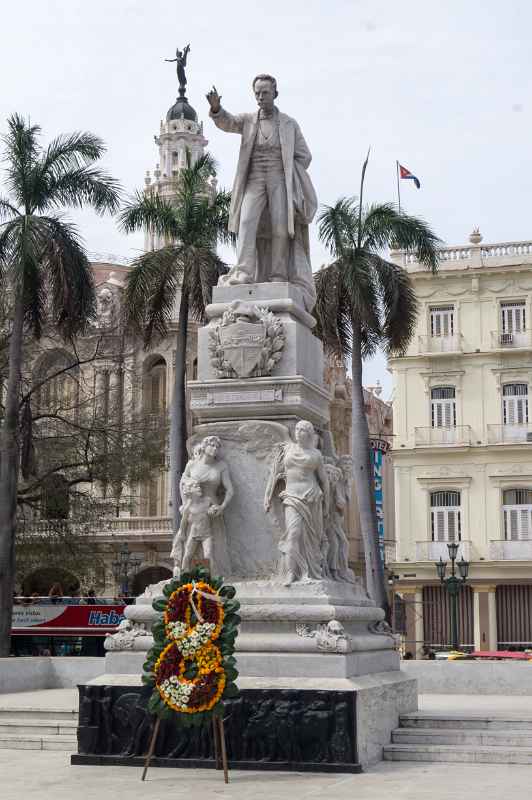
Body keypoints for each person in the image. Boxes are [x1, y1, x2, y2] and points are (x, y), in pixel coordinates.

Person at [206, 75, 317, 311]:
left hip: (279, 179)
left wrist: (291, 169)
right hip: (254, 179)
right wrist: (216, 108)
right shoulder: (248, 120)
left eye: (265, 92)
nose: (260, 97)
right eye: (257, 93)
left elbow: (305, 156)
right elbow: (228, 122)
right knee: (246, 223)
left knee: (279, 227)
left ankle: (278, 274)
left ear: (275, 93)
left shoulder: (289, 124)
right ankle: (244, 271)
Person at [264, 420, 330, 584]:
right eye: (297, 429)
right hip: (292, 496)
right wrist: (267, 496)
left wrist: (327, 503)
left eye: (303, 430)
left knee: (310, 538)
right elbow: (274, 473)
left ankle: (308, 570)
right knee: (293, 533)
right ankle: (291, 572)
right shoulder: (287, 448)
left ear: (309, 434)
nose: (298, 432)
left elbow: (324, 480)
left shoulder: (316, 454)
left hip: (311, 496)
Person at [171, 436, 234, 575]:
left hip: (212, 509)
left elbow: (230, 490)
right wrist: (184, 503)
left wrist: (222, 507)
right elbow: (182, 484)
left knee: (212, 551)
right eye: (212, 445)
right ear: (204, 447)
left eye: (217, 447)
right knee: (189, 552)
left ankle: (213, 578)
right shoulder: (192, 464)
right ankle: (190, 577)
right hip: (193, 510)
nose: (215, 449)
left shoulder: (221, 466)